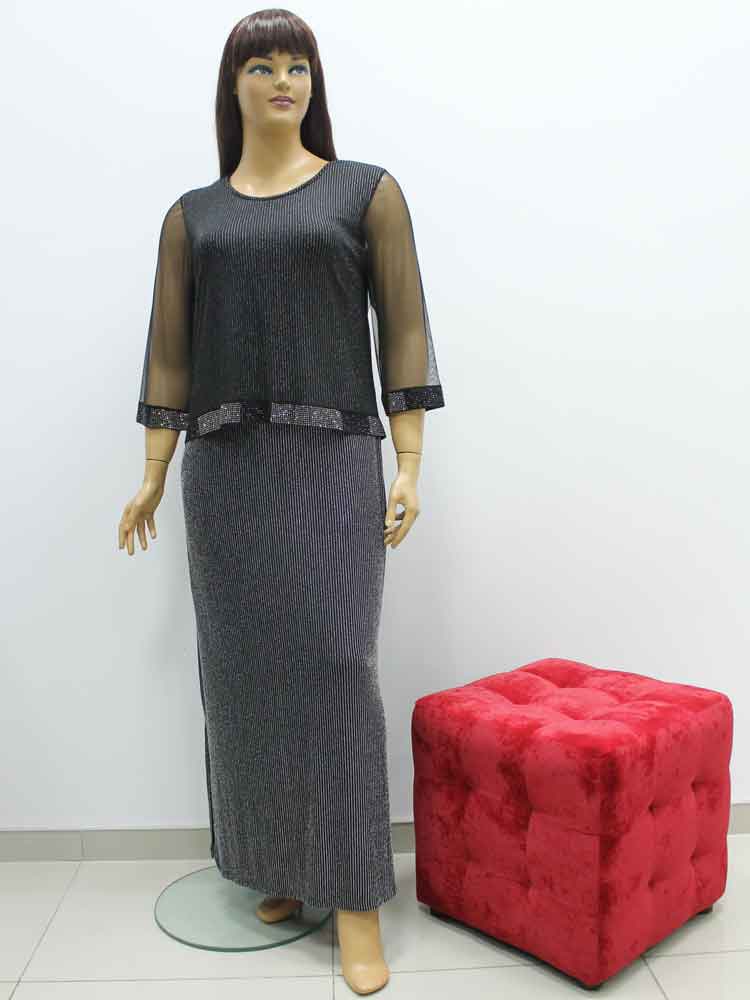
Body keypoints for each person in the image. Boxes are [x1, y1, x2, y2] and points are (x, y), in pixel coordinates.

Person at [118, 9, 445, 995]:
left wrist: (410, 458)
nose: (282, 81)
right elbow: (170, 351)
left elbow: (404, 327)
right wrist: (154, 470)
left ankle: (354, 898)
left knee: (338, 668)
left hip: (334, 460)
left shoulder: (364, 193)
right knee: (247, 680)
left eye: (297, 65)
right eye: (261, 65)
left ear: (315, 82)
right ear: (234, 86)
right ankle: (282, 868)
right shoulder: (194, 218)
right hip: (226, 474)